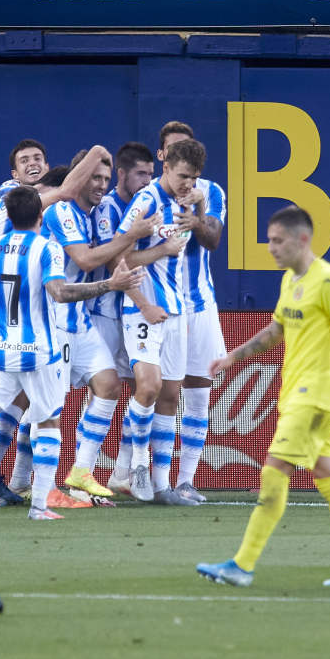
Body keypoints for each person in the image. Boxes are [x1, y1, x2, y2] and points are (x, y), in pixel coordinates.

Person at [197, 205, 330, 588]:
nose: (270, 247)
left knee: (274, 471)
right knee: (329, 477)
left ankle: (242, 564)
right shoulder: (290, 281)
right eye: (269, 240)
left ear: (302, 240)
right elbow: (273, 332)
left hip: (314, 395)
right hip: (298, 394)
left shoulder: (329, 281)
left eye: (277, 240)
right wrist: (231, 357)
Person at [0, 186, 144, 520]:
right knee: (47, 423)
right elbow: (60, 292)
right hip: (38, 352)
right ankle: (39, 507)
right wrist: (110, 285)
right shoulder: (47, 248)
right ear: (39, 215)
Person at [43, 149, 156, 500]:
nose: (101, 186)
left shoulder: (94, 214)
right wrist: (131, 236)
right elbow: (86, 258)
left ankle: (80, 473)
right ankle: (37, 486)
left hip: (80, 317)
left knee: (108, 385)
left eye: (105, 180)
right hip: (53, 318)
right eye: (95, 177)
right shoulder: (61, 210)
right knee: (47, 405)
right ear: (79, 175)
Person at [111, 139, 194, 504]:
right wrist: (143, 304)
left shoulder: (186, 204)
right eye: (182, 176)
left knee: (170, 396)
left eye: (193, 178)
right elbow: (119, 256)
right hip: (142, 309)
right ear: (166, 167)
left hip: (176, 310)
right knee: (147, 385)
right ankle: (138, 466)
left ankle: (161, 485)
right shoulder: (146, 201)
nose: (187, 184)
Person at [150, 121, 229, 505]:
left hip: (199, 304)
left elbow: (212, 238)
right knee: (163, 391)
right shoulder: (150, 195)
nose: (183, 156)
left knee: (199, 391)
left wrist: (196, 215)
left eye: (188, 149)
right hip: (162, 307)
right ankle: (152, 479)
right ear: (162, 156)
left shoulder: (211, 191)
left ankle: (186, 480)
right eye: (174, 149)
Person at [90, 142, 156, 495]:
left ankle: (121, 471)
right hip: (105, 314)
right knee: (102, 393)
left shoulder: (147, 207)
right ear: (123, 174)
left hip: (131, 314)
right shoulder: (108, 209)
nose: (148, 180)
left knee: (139, 390)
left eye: (151, 173)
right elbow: (115, 262)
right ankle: (81, 472)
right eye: (141, 174)